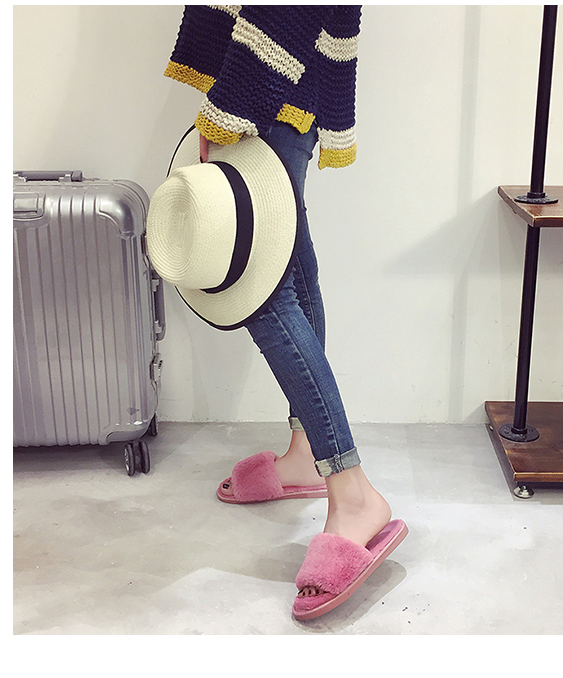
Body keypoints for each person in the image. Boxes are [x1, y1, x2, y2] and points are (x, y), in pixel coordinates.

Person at [163, 5, 406, 617]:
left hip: (268, 88)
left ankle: (353, 494)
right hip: (285, 89)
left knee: (265, 293)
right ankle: (305, 454)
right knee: (291, 272)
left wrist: (230, 107)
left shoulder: (253, 93)